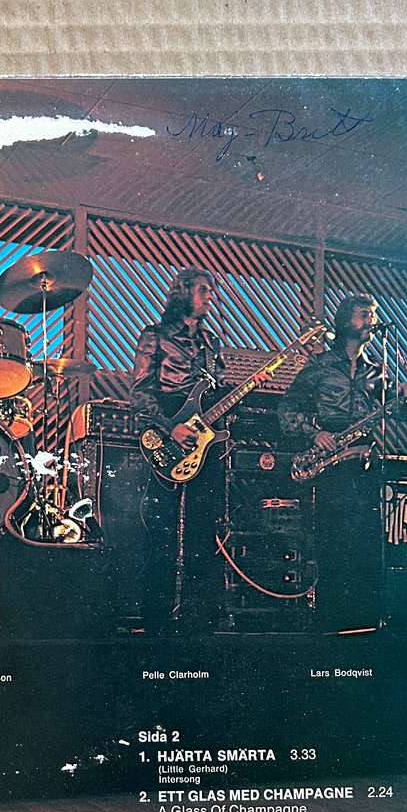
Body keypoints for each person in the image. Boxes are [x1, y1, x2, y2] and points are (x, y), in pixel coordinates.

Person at [278, 292, 394, 633]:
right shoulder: (319, 366)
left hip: (365, 459)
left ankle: (365, 619)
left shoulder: (378, 370)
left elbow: (400, 412)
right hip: (331, 459)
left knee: (367, 540)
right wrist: (315, 434)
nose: (371, 320)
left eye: (373, 314)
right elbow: (286, 410)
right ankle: (332, 619)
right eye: (364, 314)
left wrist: (404, 398)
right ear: (345, 321)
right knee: (334, 539)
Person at [131, 267, 229, 634]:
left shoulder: (211, 343)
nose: (209, 297)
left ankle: (197, 619)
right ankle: (156, 620)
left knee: (204, 529)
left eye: (211, 291)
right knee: (162, 529)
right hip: (167, 434)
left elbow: (217, 394)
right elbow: (140, 394)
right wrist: (169, 426)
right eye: (204, 290)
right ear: (183, 292)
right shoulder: (155, 336)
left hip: (204, 443)